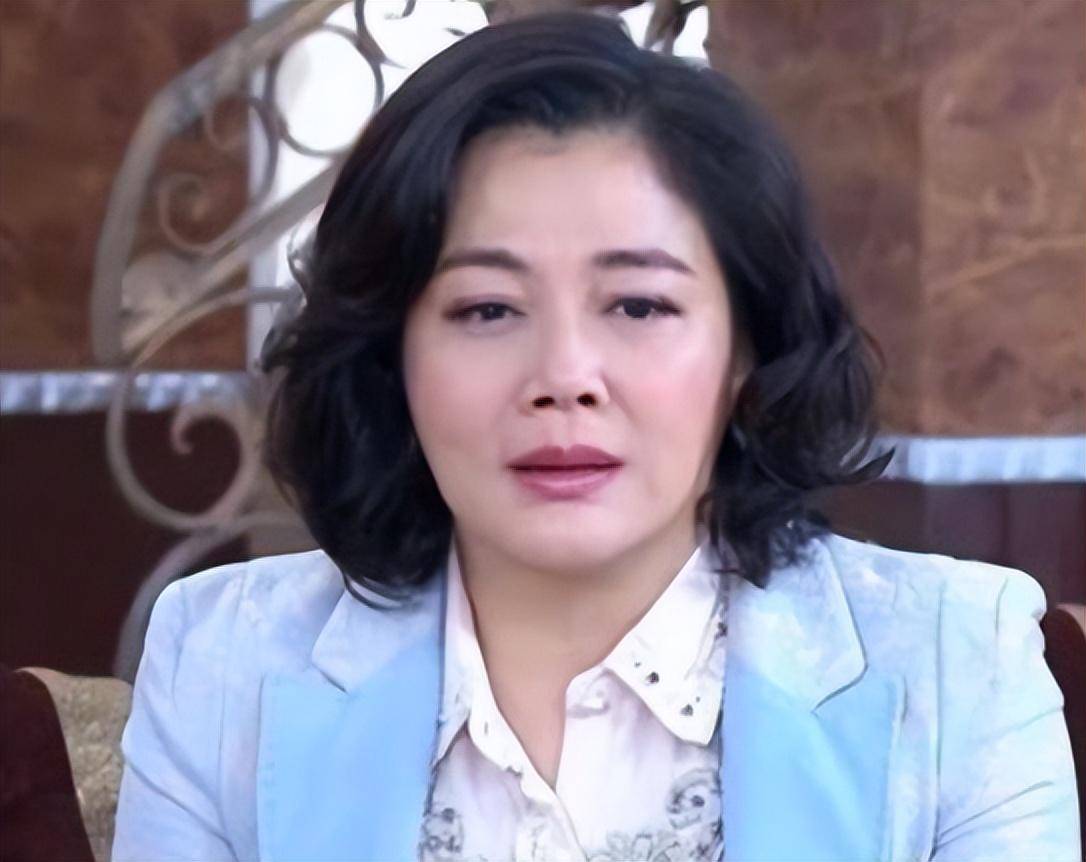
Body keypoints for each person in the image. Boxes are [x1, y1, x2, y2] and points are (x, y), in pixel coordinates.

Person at [110, 11, 1081, 862]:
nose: (565, 376)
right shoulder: (224, 665)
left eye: (638, 304)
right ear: (389, 352)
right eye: (487, 309)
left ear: (746, 349)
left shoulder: (958, 664)